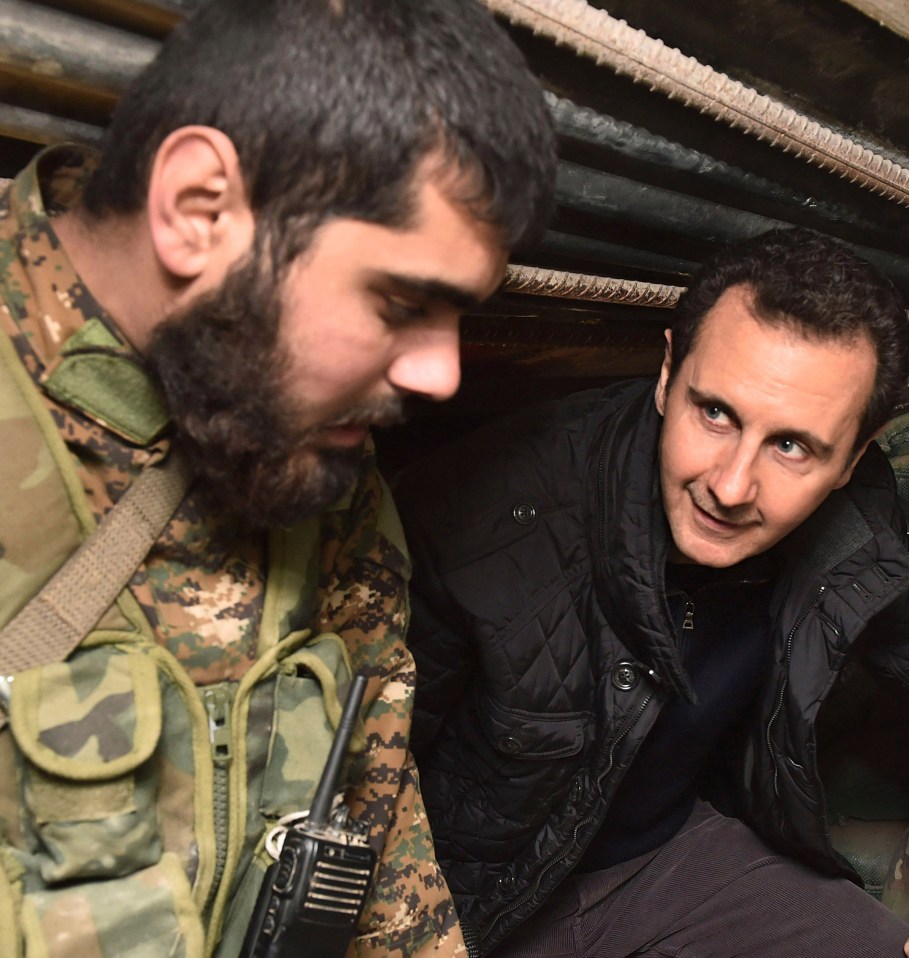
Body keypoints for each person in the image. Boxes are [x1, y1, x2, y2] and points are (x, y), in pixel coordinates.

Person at [0, 0, 555, 954]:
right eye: (404, 301)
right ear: (199, 210)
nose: (442, 373)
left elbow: (374, 808)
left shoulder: (302, 437)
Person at [393, 227, 909, 958]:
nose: (730, 487)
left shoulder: (861, 530)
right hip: (476, 901)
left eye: (791, 445)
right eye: (716, 413)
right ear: (669, 374)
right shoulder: (486, 516)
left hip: (672, 859)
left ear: (854, 456)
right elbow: (357, 786)